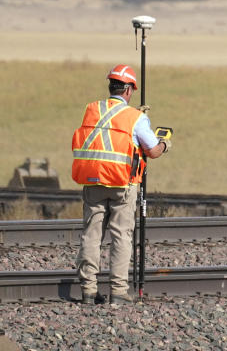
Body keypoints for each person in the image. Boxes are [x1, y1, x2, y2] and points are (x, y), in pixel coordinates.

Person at [71, 64, 171, 304]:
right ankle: (117, 292)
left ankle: (88, 290)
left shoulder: (92, 109)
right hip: (122, 185)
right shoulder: (136, 118)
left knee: (91, 235)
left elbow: (110, 127)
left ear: (111, 86)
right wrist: (166, 143)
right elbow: (153, 151)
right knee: (121, 236)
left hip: (93, 181)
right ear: (128, 89)